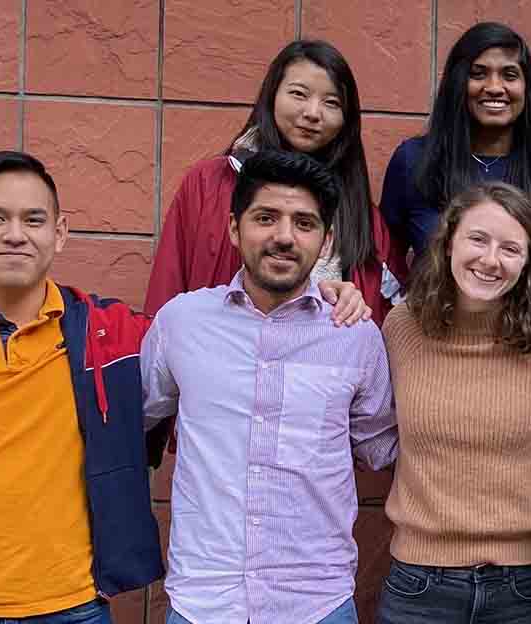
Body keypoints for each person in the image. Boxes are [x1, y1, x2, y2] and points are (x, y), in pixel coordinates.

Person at [0, 150, 369, 624]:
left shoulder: (113, 337)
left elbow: (240, 336)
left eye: (33, 220)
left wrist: (328, 294)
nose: (15, 234)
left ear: (59, 233)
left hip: (77, 607)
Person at [141, 149, 399, 624]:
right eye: (266, 218)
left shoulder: (355, 336)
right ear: (234, 228)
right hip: (204, 601)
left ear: (326, 241)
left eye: (304, 223)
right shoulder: (181, 323)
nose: (284, 236)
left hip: (316, 603)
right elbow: (135, 417)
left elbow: (385, 447)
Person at [376, 182, 531, 624]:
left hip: (526, 587)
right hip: (419, 585)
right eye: (478, 239)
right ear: (449, 241)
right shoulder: (402, 328)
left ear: (529, 261)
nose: (491, 260)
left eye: (510, 248)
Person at [146, 39, 401, 322]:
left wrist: (352, 303)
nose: (313, 113)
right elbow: (166, 292)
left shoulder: (364, 217)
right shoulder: (208, 184)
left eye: (331, 102)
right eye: (299, 94)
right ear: (272, 96)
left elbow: (385, 319)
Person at [381, 22, 531, 274]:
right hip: (430, 301)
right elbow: (386, 260)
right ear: (457, 83)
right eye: (478, 74)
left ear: (527, 88)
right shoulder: (414, 161)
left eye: (509, 75)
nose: (494, 87)